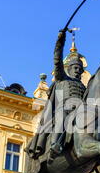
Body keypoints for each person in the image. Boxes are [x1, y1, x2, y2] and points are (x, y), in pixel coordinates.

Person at [26, 28, 86, 161]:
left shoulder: (83, 86)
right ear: (69, 69)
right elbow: (57, 59)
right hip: (63, 111)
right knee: (62, 115)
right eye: (76, 68)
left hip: (80, 114)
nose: (78, 71)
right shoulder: (62, 78)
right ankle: (54, 145)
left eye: (80, 69)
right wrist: (60, 40)